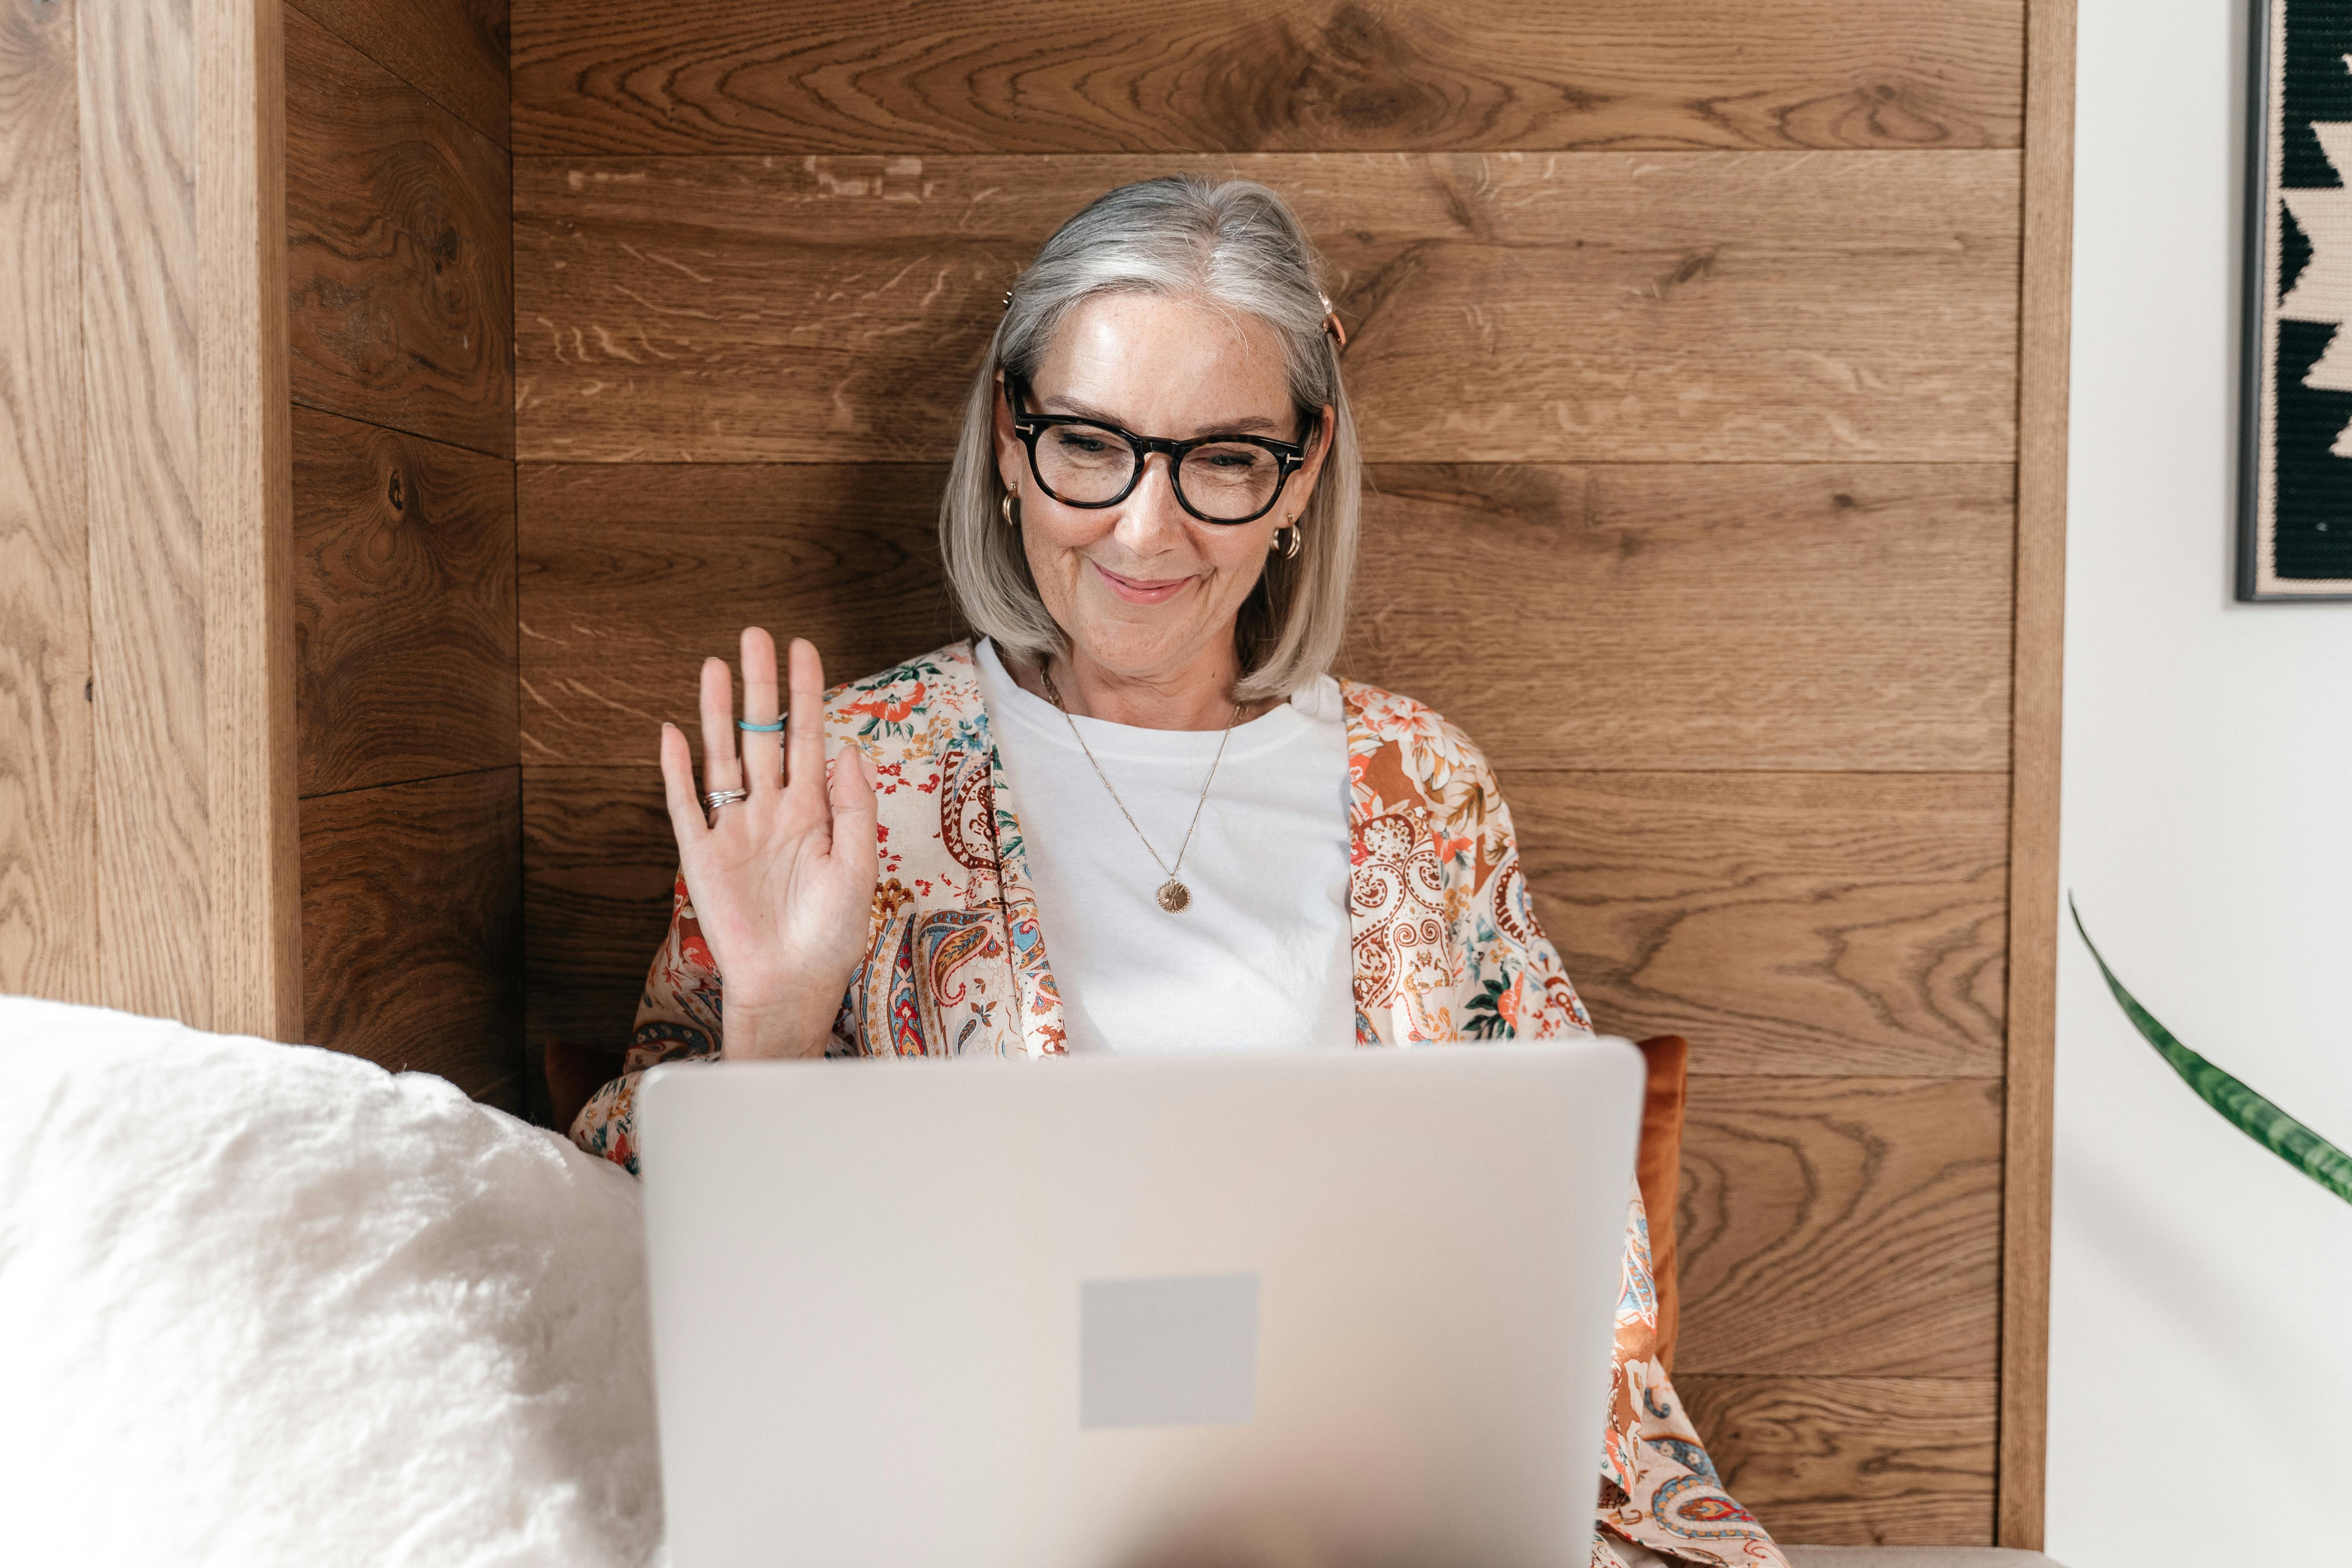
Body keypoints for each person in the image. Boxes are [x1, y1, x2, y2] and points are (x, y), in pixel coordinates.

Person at [569, 176, 1785, 1568]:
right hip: (979, 1517)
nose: (1147, 531)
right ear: (1010, 444)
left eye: (1222, 459)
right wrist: (777, 1022)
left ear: (1303, 471)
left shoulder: (1421, 785)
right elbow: (637, 1248)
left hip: (1367, 1520)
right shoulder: (858, 778)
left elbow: (1569, 1230)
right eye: (1091, 444)